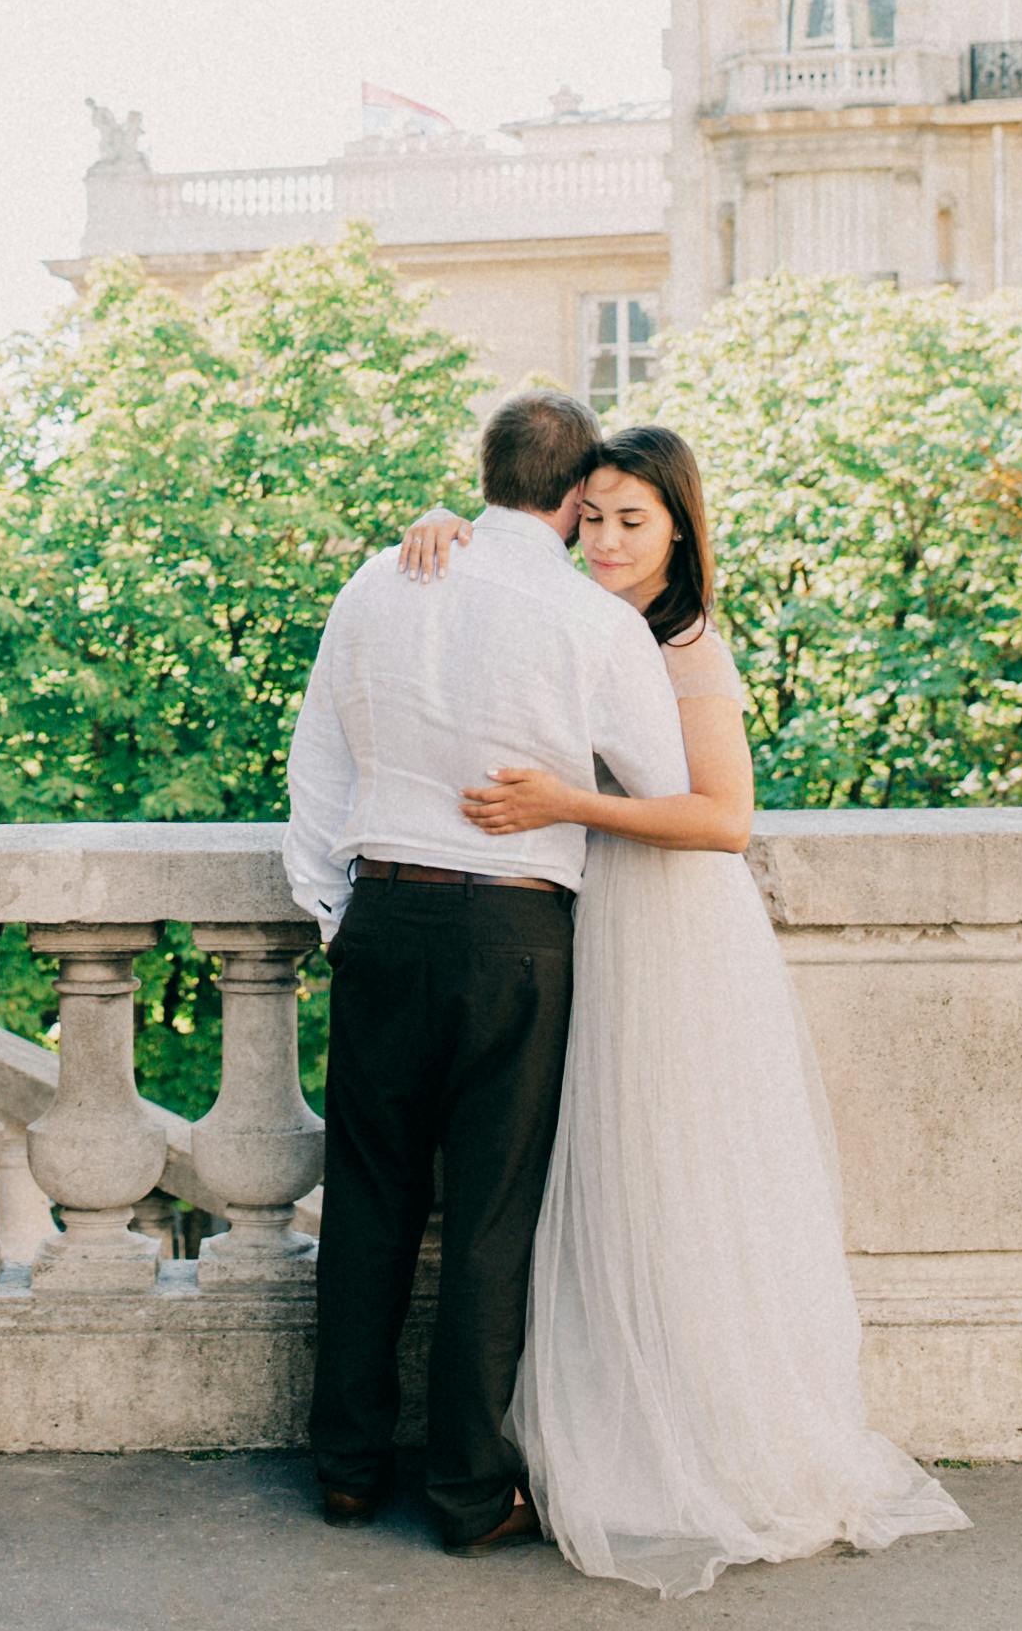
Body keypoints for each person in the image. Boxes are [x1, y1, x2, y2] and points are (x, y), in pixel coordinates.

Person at [396, 423, 970, 1600]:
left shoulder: (683, 639)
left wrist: (564, 801)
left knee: (674, 1177)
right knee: (590, 1182)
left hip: (669, 933)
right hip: (587, 926)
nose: (604, 540)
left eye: (631, 522)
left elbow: (722, 818)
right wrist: (442, 528)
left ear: (676, 530)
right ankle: (605, 1424)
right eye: (590, 516)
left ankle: (694, 1446)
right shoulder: (566, 609)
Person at [284, 386, 692, 1554]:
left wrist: (331, 912)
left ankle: (348, 1468)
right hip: (513, 934)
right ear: (574, 501)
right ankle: (469, 1493)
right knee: (490, 1216)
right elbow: (658, 783)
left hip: (382, 915)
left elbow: (318, 760)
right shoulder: (593, 623)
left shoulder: (379, 580)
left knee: (365, 1199)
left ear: (481, 475)